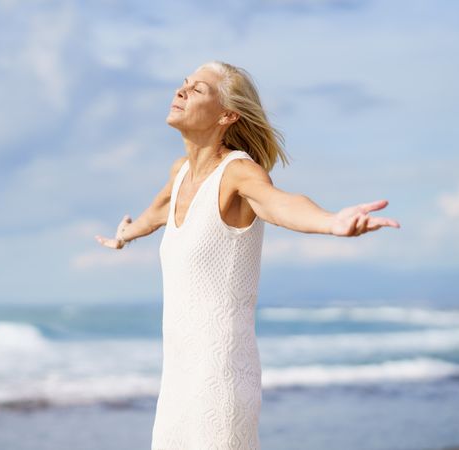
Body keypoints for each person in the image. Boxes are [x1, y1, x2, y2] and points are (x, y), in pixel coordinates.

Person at [94, 61, 400, 450]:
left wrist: (331, 222)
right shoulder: (181, 171)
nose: (181, 92)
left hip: (220, 381)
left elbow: (280, 204)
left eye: (198, 89)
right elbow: (157, 212)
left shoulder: (238, 173)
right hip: (176, 380)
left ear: (227, 114)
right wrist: (125, 234)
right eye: (183, 84)